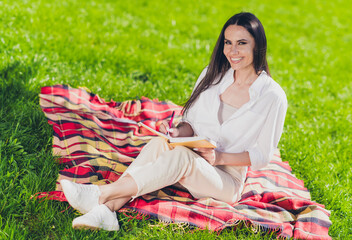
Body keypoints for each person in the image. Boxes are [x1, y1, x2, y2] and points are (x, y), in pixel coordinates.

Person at [60, 12, 287, 231]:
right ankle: (107, 211)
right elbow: (190, 121)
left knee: (181, 157)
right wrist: (178, 134)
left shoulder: (271, 96)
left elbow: (262, 155)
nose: (233, 51)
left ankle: (100, 194)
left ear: (257, 46)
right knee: (161, 144)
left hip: (228, 178)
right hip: (196, 154)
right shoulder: (214, 74)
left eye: (242, 43)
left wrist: (219, 157)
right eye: (228, 43)